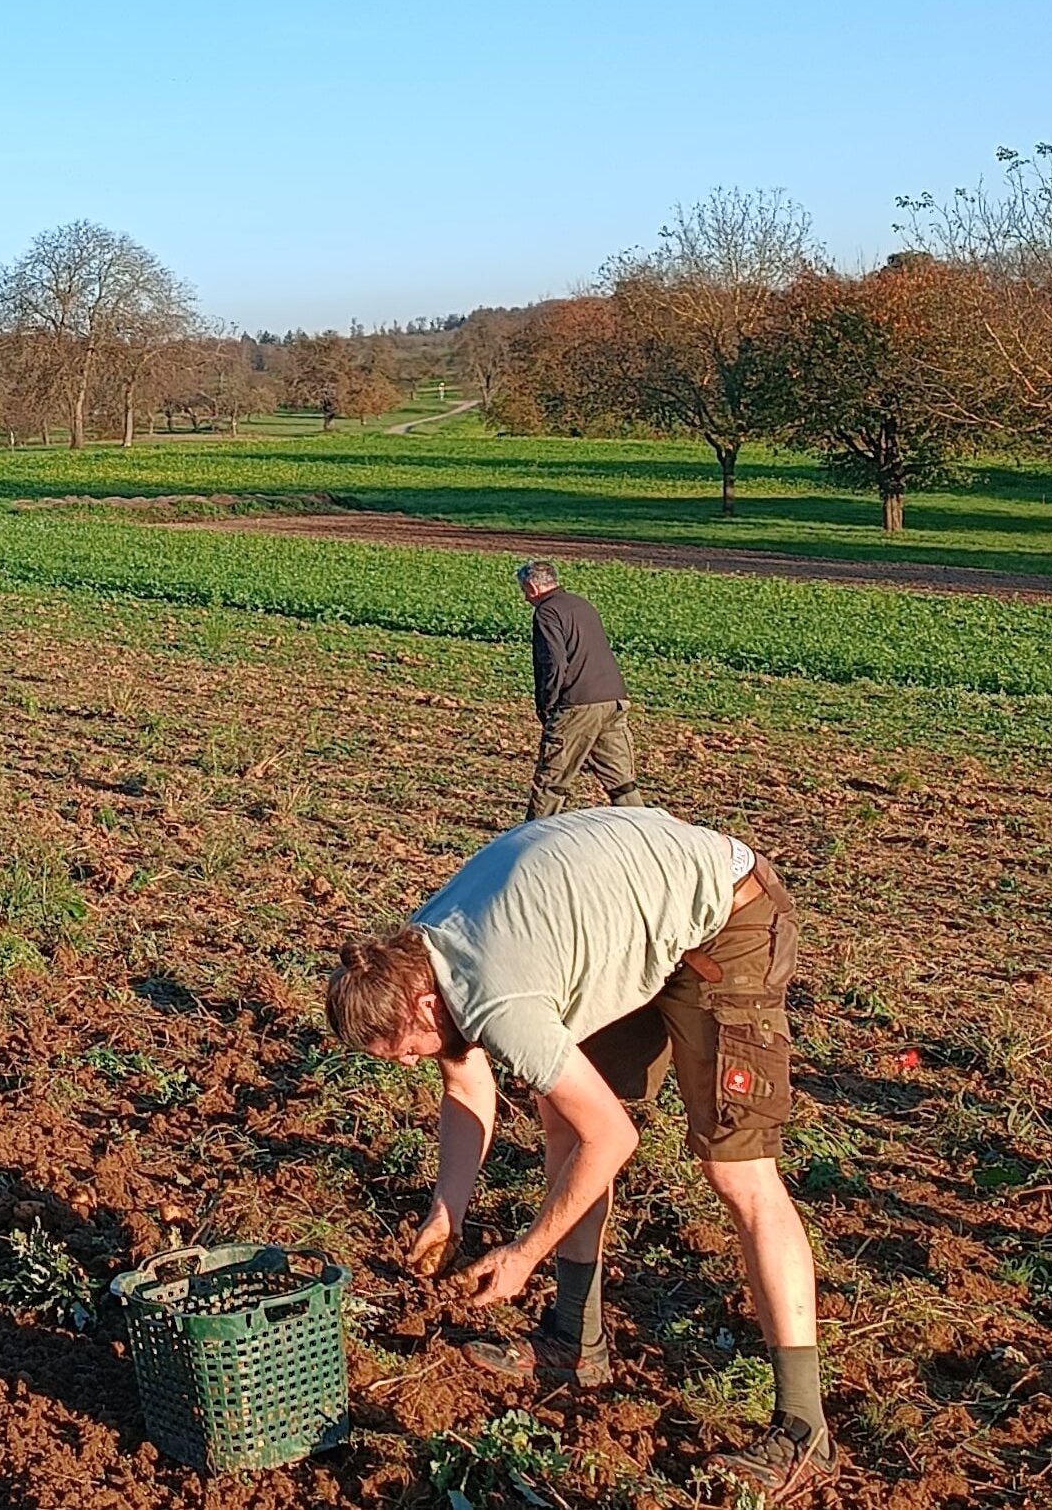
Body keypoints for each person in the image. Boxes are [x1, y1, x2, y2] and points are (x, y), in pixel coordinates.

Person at [327, 806, 831, 1498]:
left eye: (408, 1049)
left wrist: (524, 1253)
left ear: (422, 1008)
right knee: (560, 1113)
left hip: (727, 916)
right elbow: (466, 1079)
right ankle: (575, 1340)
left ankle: (806, 1431)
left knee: (736, 1170)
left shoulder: (496, 996)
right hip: (636, 912)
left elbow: (614, 1140)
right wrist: (447, 1212)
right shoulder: (418, 952)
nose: (414, 1063)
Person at [517, 561, 643, 821]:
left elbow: (553, 662)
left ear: (532, 587)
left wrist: (547, 704)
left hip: (578, 704)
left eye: (524, 591)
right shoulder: (582, 605)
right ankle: (648, 832)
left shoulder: (547, 612)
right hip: (613, 700)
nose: (525, 598)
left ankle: (528, 841)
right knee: (621, 782)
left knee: (552, 781)